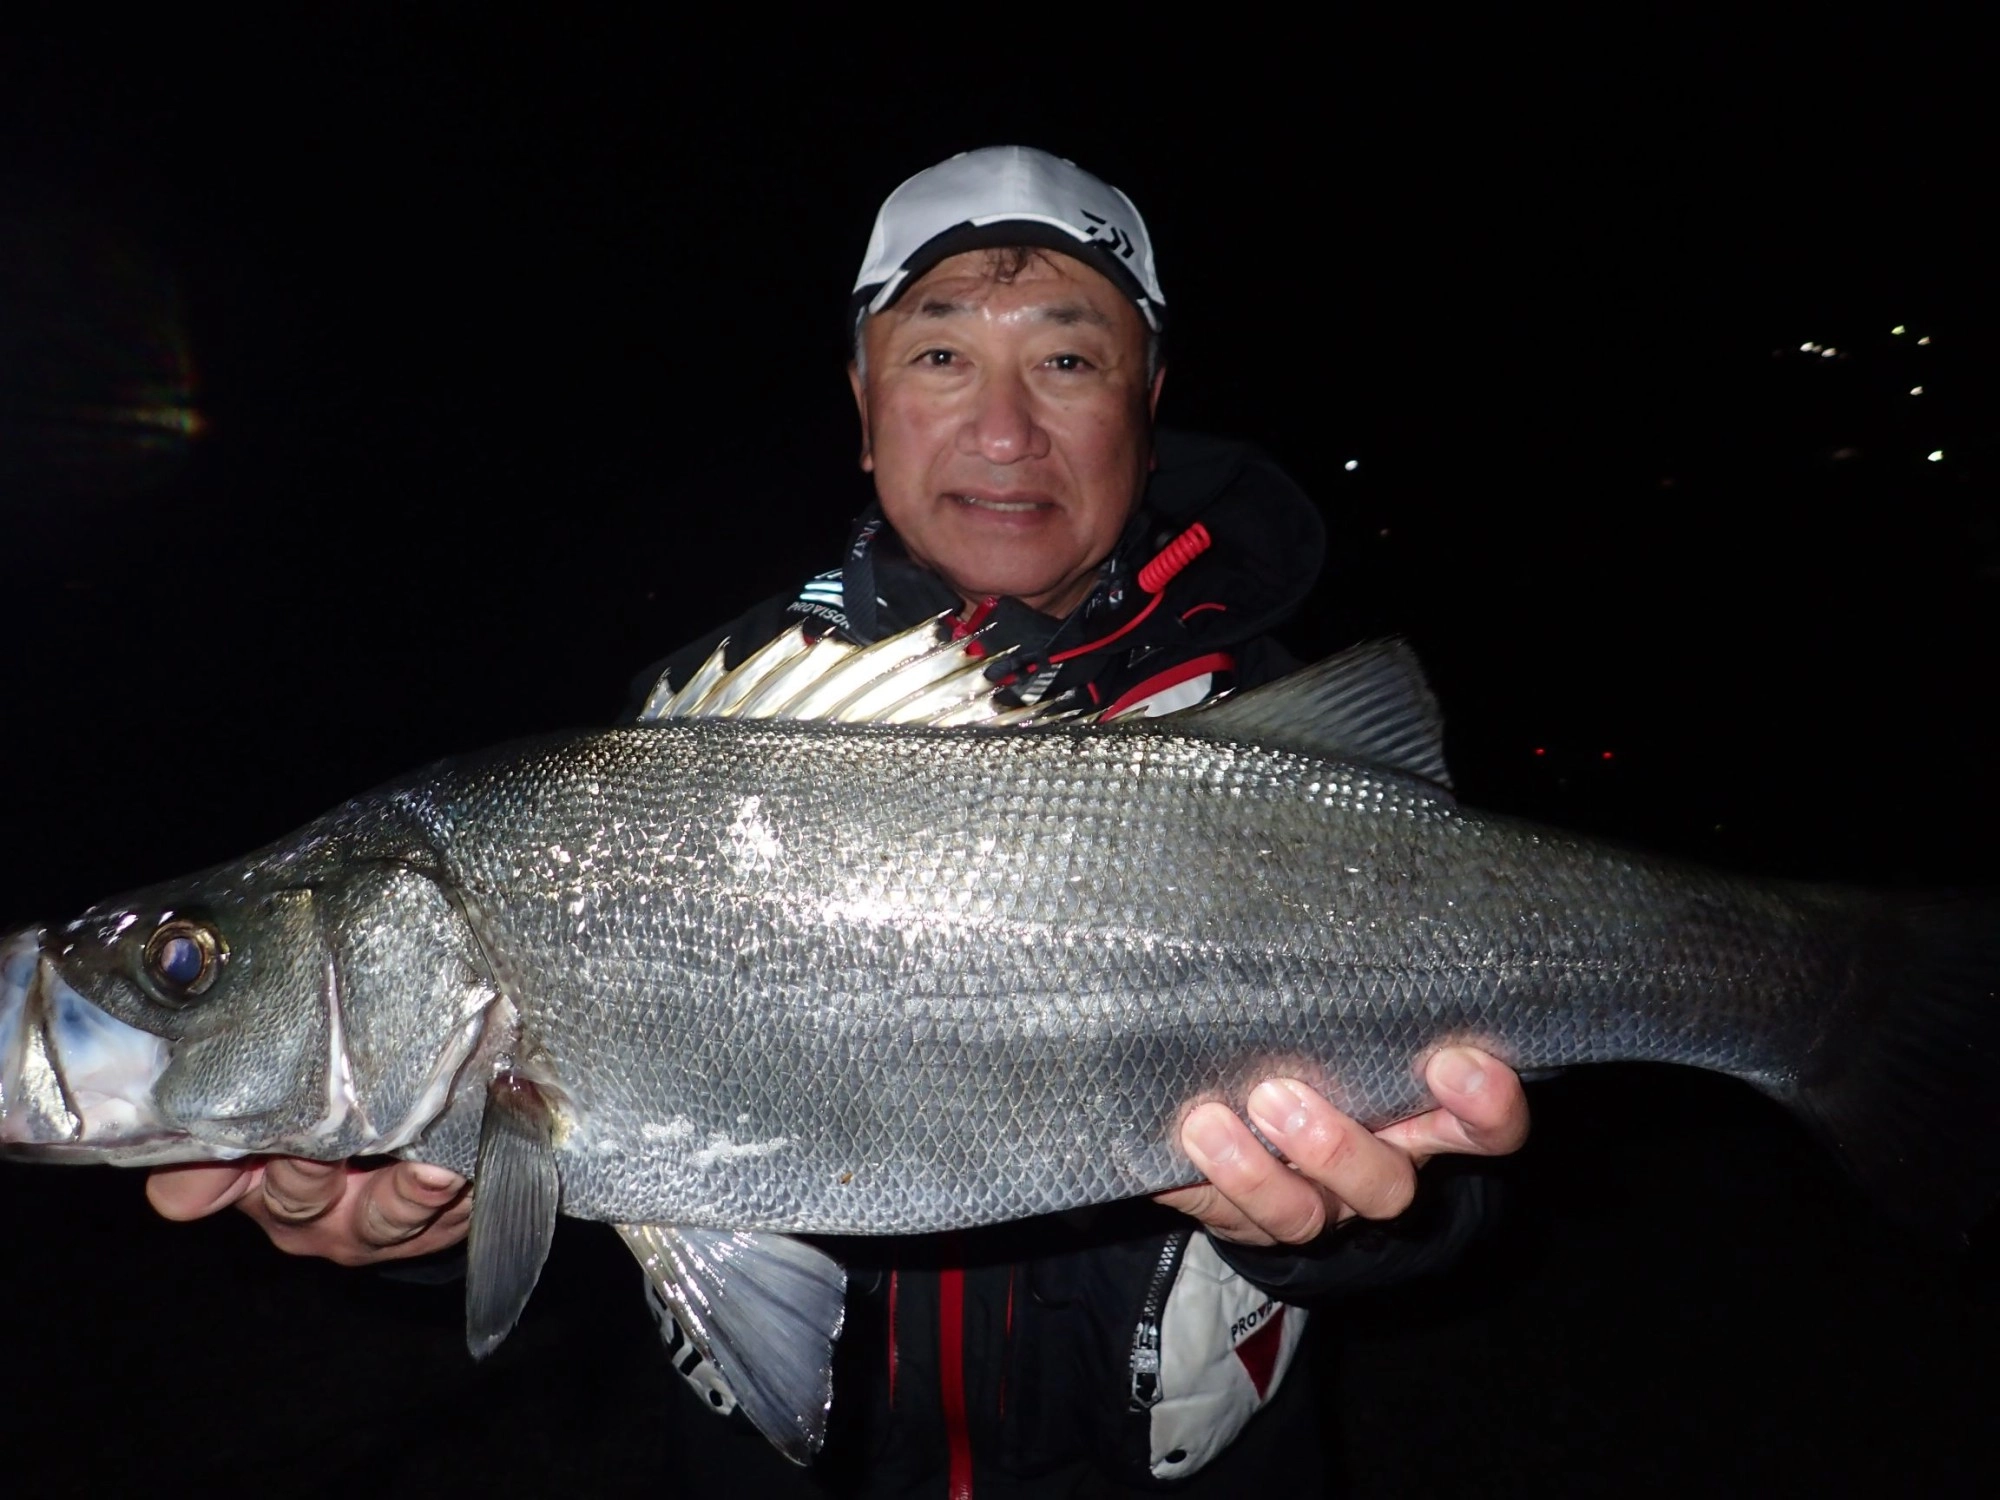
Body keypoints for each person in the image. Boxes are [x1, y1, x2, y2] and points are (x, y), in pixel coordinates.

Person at [148, 146, 1530, 1494]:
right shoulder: (682, 733)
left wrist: (1342, 1234)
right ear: (864, 404)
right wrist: (438, 1199)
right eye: (939, 356)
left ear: (1146, 404)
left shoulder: (1282, 729)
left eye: (1067, 358)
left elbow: (1470, 1189)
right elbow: (611, 1151)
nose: (1004, 429)